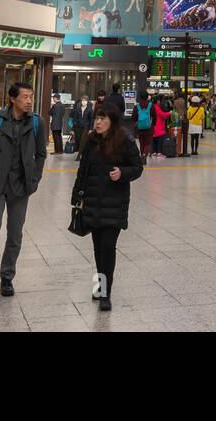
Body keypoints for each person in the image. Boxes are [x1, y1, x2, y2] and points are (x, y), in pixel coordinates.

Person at [0, 83, 49, 305]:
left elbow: (42, 154)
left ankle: (7, 277)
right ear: (12, 99)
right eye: (25, 97)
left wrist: (34, 180)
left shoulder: (36, 123)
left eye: (31, 96)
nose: (30, 100)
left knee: (15, 235)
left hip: (20, 186)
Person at [71, 102, 144, 312]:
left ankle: (106, 294)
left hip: (115, 203)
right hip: (93, 202)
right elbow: (82, 170)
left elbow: (137, 167)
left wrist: (122, 173)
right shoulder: (91, 140)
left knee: (107, 247)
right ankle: (99, 286)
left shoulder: (125, 140)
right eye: (97, 118)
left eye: (103, 118)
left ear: (113, 121)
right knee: (97, 248)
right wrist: (76, 197)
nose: (99, 122)